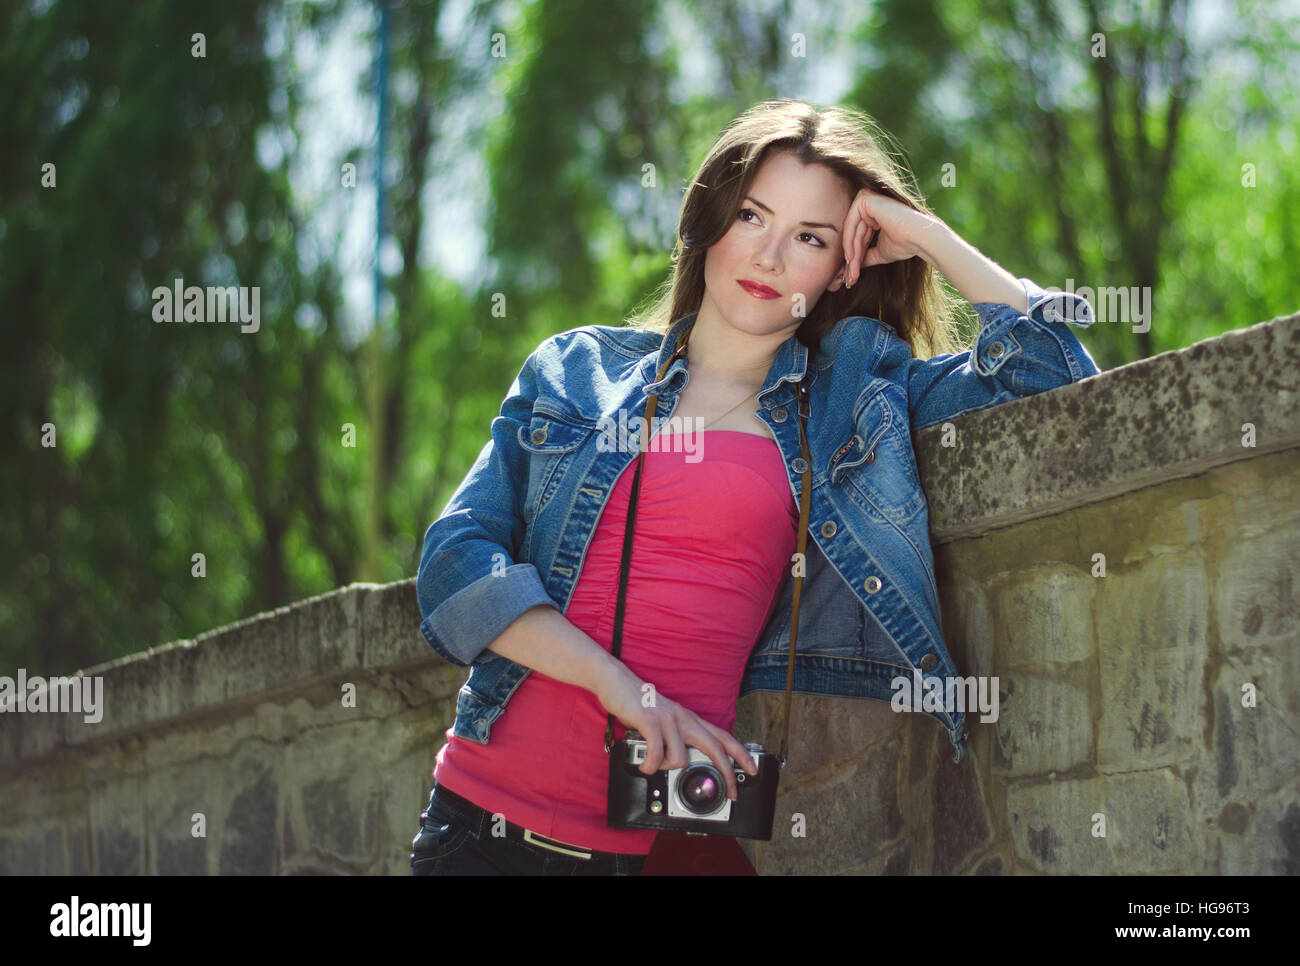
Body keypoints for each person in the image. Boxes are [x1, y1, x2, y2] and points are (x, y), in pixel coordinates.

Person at [410, 97, 1099, 875]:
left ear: (843, 266)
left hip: (669, 847)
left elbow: (1056, 381)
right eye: (751, 217)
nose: (770, 257)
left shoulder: (855, 406)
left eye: (810, 237)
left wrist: (927, 239)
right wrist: (621, 689)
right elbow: (456, 560)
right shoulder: (577, 372)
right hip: (480, 830)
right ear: (708, 217)